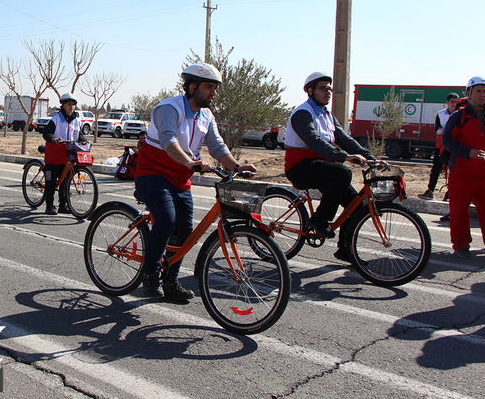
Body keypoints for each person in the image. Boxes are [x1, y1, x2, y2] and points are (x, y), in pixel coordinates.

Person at [134, 63, 255, 300]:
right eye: (210, 87)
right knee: (167, 220)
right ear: (192, 86)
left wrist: (237, 166)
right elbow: (169, 141)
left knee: (186, 231)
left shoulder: (206, 115)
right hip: (152, 174)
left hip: (180, 179)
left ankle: (171, 282)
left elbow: (217, 146)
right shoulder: (169, 108)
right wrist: (190, 162)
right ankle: (149, 274)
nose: (214, 93)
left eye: (216, 88)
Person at [284, 72, 376, 263]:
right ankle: (319, 220)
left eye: (329, 88)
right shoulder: (303, 113)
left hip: (322, 167)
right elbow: (314, 141)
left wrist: (371, 158)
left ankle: (345, 250)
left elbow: (344, 139)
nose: (328, 92)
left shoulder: (327, 114)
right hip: (300, 167)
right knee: (342, 173)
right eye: (323, 88)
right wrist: (344, 157)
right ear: (310, 91)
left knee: (356, 205)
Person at [441, 76, 485, 259]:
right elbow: (446, 141)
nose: (482, 94)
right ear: (469, 92)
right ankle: (461, 245)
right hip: (462, 173)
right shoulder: (458, 116)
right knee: (459, 211)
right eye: (478, 91)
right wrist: (467, 152)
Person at [42, 92, 88, 215]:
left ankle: (63, 205)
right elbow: (46, 134)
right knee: (51, 182)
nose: (71, 107)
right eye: (69, 104)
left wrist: (84, 141)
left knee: (65, 182)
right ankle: (49, 206)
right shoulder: (55, 119)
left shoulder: (77, 121)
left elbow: (79, 135)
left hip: (67, 156)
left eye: (73, 104)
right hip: (54, 155)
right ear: (63, 105)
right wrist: (54, 139)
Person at [419, 92, 459, 200]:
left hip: (455, 147)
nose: (454, 104)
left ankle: (449, 193)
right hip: (441, 146)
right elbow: (436, 128)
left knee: (454, 171)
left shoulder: (461, 114)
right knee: (436, 169)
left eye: (456, 102)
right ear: (447, 102)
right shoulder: (441, 114)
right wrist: (441, 131)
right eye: (452, 102)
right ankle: (430, 191)